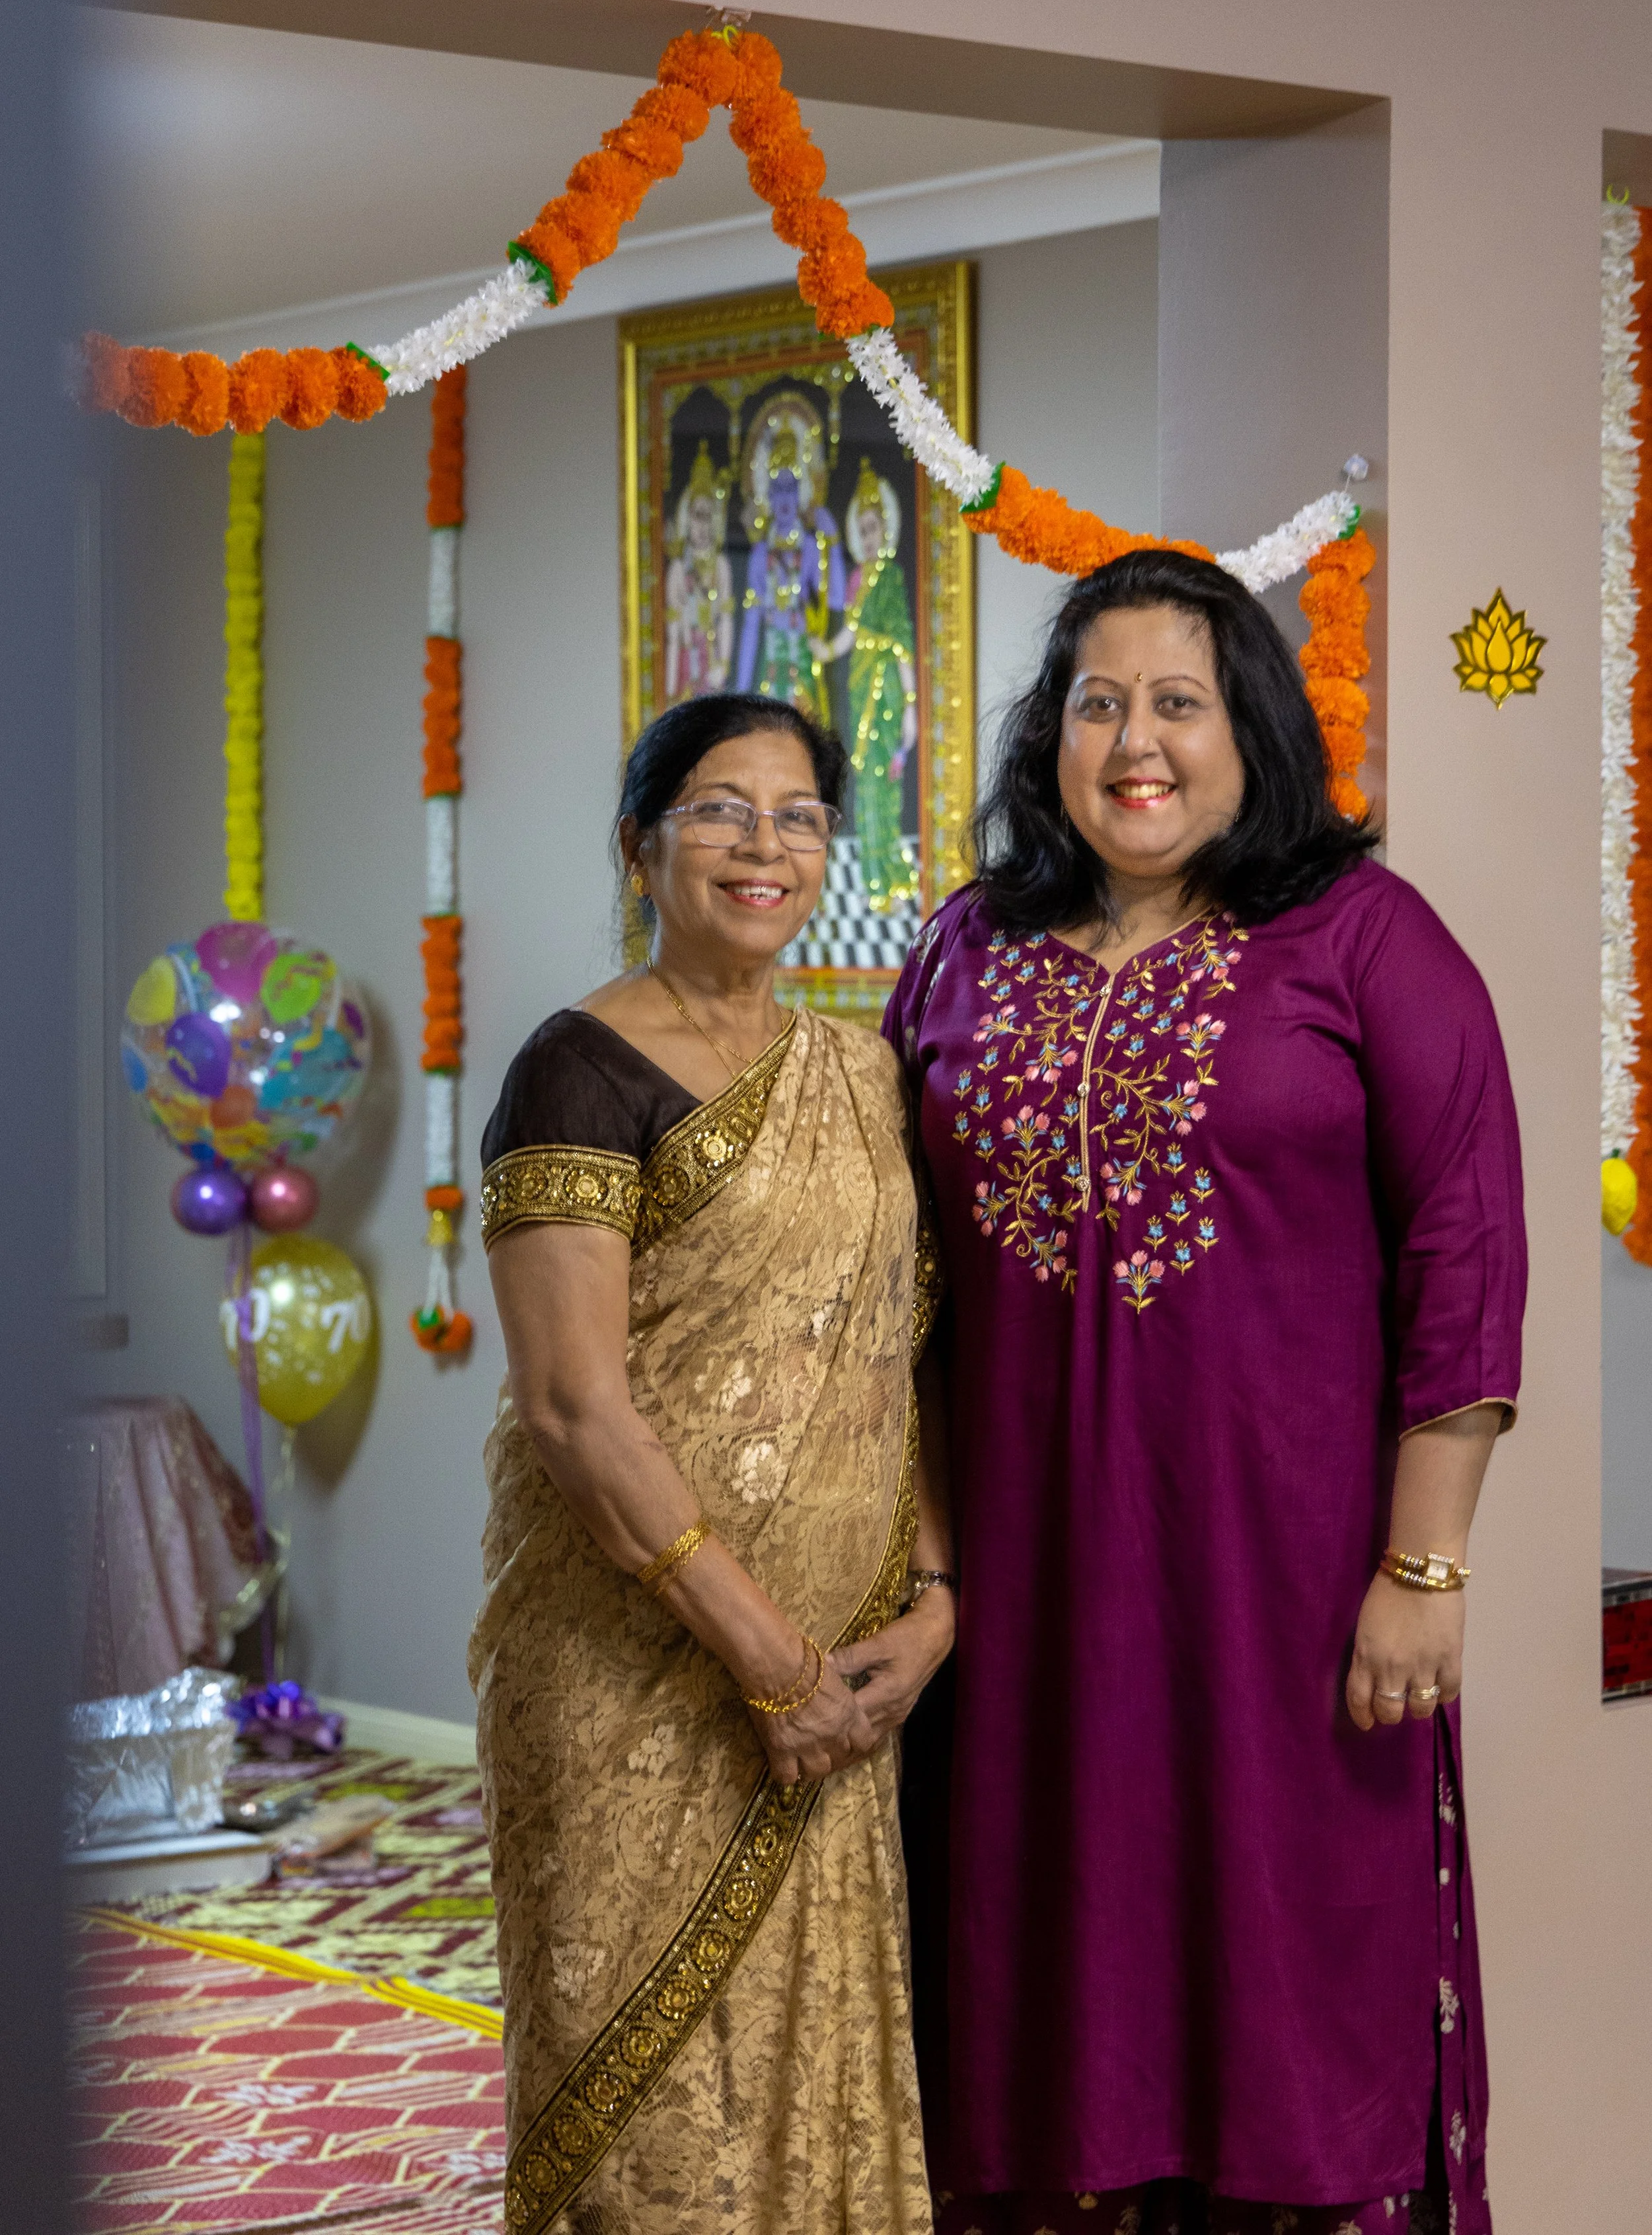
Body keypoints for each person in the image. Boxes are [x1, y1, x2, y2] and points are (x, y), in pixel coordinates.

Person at [885, 550, 1524, 2235]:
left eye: (1181, 700)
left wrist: (1424, 1569)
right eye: (1100, 701)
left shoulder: (1363, 935)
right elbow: (899, 1284)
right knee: (1042, 1989)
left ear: (1252, 729)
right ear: (1050, 734)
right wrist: (931, 1565)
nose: (1136, 742)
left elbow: (1464, 1249)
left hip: (1295, 1602)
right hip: (1026, 1613)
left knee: (1297, 1992)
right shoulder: (964, 951)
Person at [469, 690, 954, 2235]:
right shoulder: (578, 1068)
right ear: (641, 844)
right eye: (721, 810)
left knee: (815, 2081)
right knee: (650, 2097)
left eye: (800, 813)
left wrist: (933, 1596)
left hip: (841, 1675)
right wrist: (763, 1656)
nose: (765, 843)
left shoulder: (865, 1074)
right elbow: (573, 1409)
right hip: (642, 1675)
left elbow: (896, 1359)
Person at [823, 457, 920, 914]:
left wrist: (914, 705)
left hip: (887, 691)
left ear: (886, 530)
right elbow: (848, 635)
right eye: (861, 531)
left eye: (874, 529)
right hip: (859, 687)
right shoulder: (857, 580)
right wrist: (821, 652)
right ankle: (870, 879)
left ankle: (891, 879)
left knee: (885, 785)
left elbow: (901, 641)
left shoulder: (893, 577)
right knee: (864, 786)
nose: (868, 538)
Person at [734, 422, 843, 714]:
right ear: (766, 495)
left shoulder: (809, 548)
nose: (784, 498)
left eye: (790, 488)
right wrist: (738, 697)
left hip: (803, 671)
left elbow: (835, 601)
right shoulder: (760, 554)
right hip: (769, 672)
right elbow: (751, 625)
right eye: (777, 489)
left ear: (802, 492)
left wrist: (832, 542)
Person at [663, 442, 735, 700]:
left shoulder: (722, 566)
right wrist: (670, 691)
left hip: (712, 658)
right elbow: (673, 634)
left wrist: (724, 666)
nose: (702, 525)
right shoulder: (678, 570)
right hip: (686, 657)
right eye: (696, 516)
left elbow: (725, 619)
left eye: (707, 516)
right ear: (686, 518)